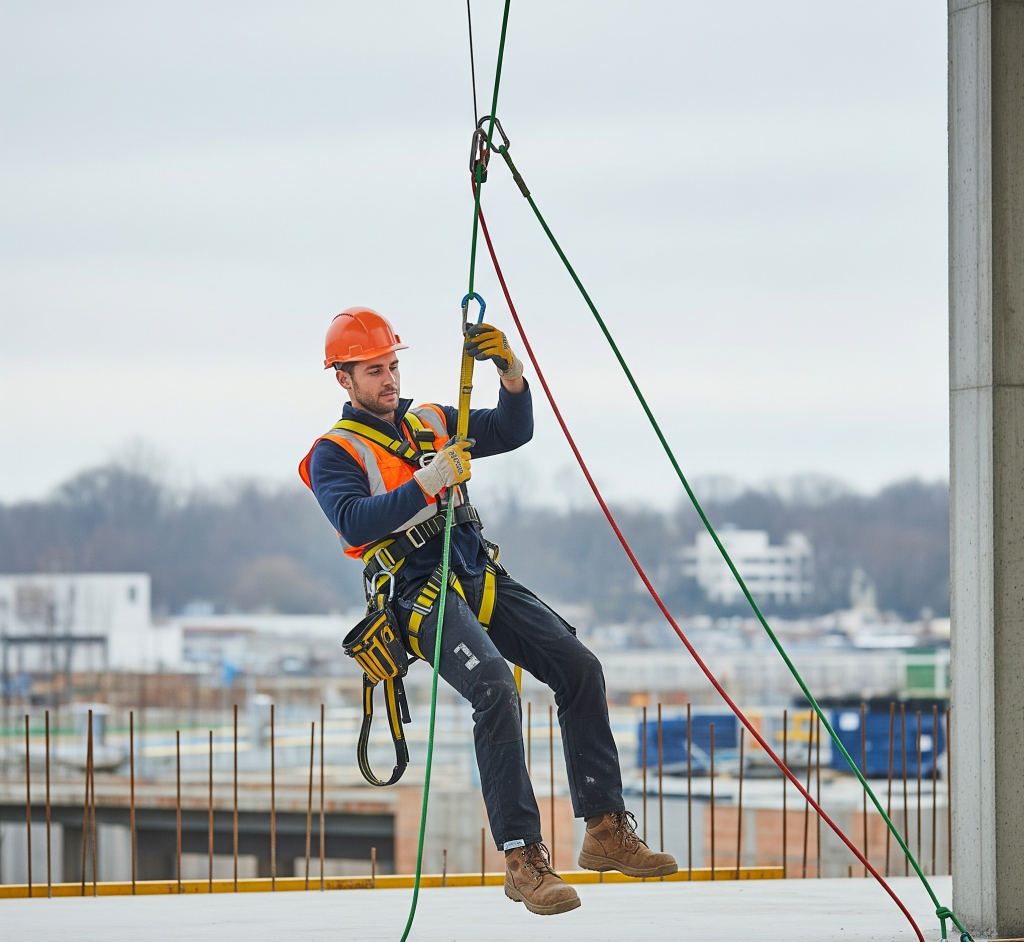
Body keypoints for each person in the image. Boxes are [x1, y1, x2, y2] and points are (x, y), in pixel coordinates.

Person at [300, 307, 677, 915]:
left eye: (392, 366)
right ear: (344, 379)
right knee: (495, 688)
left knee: (579, 667)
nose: (389, 379)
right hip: (418, 591)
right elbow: (353, 520)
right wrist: (428, 481)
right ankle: (523, 859)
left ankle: (605, 828)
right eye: (374, 371)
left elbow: (510, 429)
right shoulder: (334, 452)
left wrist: (509, 371)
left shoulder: (430, 421)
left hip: (475, 572)